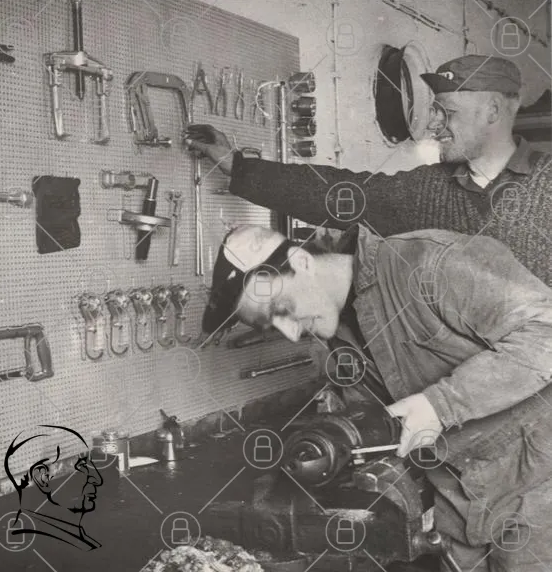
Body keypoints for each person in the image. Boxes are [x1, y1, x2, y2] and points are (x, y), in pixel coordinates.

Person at [202, 222, 552, 572]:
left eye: (281, 309)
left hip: (538, 489)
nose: (291, 333)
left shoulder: (427, 263)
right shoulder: (340, 342)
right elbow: (381, 427)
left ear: (301, 261)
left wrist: (440, 405)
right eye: (271, 327)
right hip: (462, 508)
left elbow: (545, 333)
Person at [185, 55, 551, 287]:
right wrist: (238, 166)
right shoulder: (428, 189)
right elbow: (337, 192)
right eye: (435, 111)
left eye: (447, 112)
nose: (433, 124)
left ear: (492, 111)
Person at [4, 425, 103, 550]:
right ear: (42, 478)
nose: (97, 480)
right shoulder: (45, 546)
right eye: (82, 466)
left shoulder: (76, 534)